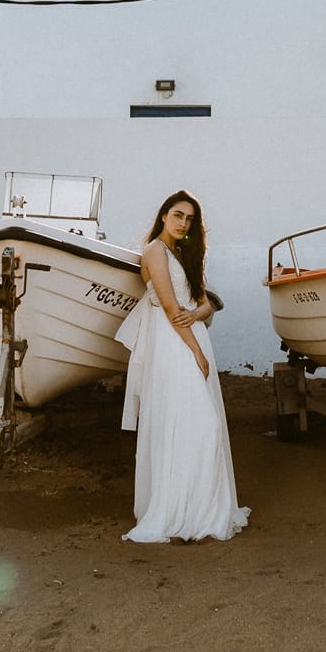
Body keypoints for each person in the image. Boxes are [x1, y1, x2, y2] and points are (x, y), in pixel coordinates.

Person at [114, 190, 250, 543]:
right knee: (192, 424)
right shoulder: (154, 252)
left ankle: (201, 510)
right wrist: (196, 352)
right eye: (177, 215)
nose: (182, 223)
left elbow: (204, 304)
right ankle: (177, 511)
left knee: (201, 426)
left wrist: (197, 316)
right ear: (163, 215)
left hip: (190, 337)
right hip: (174, 345)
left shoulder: (181, 253)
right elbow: (173, 311)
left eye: (189, 219)